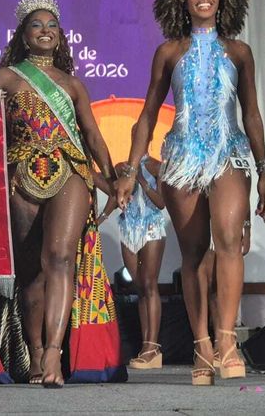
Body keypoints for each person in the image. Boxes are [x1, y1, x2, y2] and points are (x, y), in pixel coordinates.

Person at [116, 0, 265, 385]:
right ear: (182, 0)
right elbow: (147, 114)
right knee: (194, 255)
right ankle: (202, 345)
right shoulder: (169, 51)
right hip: (182, 158)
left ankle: (227, 340)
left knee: (229, 239)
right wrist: (130, 169)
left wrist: (264, 170)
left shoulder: (239, 51)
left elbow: (251, 113)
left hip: (228, 153)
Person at [0, 0, 124, 387]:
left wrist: (112, 178)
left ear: (60, 35)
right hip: (20, 175)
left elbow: (92, 136)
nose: (45, 31)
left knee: (60, 258)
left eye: (52, 26)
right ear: (24, 35)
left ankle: (53, 353)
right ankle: (32, 351)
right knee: (32, 272)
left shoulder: (73, 84)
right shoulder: (6, 77)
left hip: (69, 170)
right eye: (36, 25)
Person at [97, 156, 167, 369]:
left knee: (149, 285)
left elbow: (161, 203)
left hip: (151, 226)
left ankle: (152, 346)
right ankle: (146, 346)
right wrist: (102, 217)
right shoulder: (122, 168)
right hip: (129, 228)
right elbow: (114, 195)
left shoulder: (155, 167)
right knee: (140, 287)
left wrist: (143, 182)